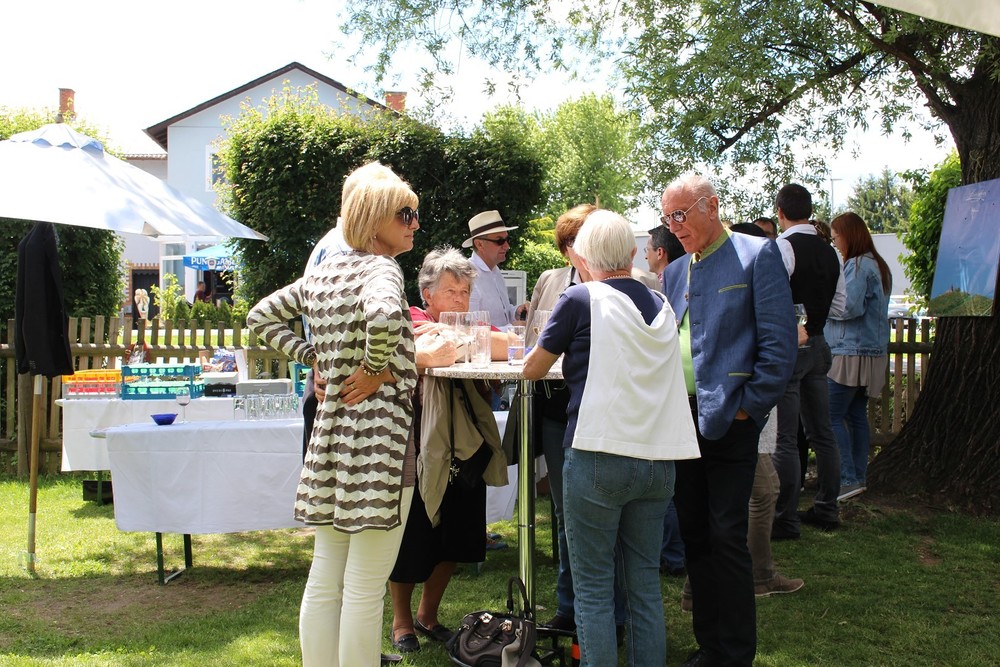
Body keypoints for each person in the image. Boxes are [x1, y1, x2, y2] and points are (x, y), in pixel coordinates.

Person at [247, 163, 420, 667]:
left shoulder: (321, 273)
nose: (414, 224)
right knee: (364, 587)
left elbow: (259, 317)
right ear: (375, 219)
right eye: (405, 214)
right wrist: (374, 368)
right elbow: (385, 316)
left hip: (330, 440)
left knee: (325, 577)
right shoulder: (381, 270)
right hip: (380, 442)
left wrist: (314, 356)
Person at [525, 208, 699, 667]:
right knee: (643, 584)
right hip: (657, 457)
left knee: (593, 586)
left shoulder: (580, 298)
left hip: (598, 453)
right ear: (632, 254)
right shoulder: (660, 303)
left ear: (582, 258)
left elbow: (533, 368)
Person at [660, 174, 796, 667]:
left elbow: (779, 346)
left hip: (731, 421)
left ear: (711, 206)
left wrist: (747, 408)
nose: (674, 226)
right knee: (695, 535)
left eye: (680, 214)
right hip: (681, 421)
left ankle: (735, 654)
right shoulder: (676, 271)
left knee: (726, 537)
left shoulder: (757, 255)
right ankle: (710, 646)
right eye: (667, 218)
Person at [388, 246, 509, 655]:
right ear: (427, 294)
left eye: (465, 292)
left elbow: (505, 344)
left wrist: (475, 339)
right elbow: (454, 343)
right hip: (419, 443)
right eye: (450, 291)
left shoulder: (467, 326)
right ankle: (401, 621)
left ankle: (428, 615)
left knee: (458, 531)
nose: (460, 300)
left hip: (466, 443)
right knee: (415, 533)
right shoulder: (412, 319)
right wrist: (478, 340)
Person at [772, 184, 846, 538]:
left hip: (792, 346)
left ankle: (785, 518)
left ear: (780, 213)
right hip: (818, 344)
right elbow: (840, 306)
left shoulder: (783, 246)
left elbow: (773, 297)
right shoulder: (831, 251)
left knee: (785, 437)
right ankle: (828, 508)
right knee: (822, 433)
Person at [826, 212, 892, 500]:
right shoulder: (877, 264)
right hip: (869, 352)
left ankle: (848, 478)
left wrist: (819, 305)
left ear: (848, 235)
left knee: (830, 415)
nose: (835, 243)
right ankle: (858, 477)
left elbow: (848, 307)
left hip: (849, 351)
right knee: (855, 415)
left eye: (836, 237)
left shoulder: (857, 265)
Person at [465, 210, 528, 330]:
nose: (507, 246)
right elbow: (470, 327)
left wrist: (516, 312)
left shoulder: (495, 271)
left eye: (507, 240)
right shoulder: (467, 276)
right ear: (479, 244)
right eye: (500, 241)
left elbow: (503, 314)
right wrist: (511, 329)